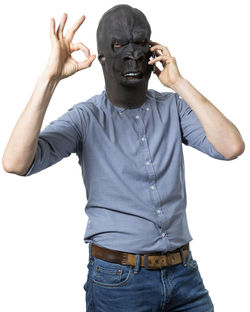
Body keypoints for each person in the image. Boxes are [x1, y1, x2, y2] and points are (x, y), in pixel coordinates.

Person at [2, 4, 245, 312]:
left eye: (141, 43)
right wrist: (49, 78)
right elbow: (15, 163)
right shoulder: (86, 117)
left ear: (153, 49)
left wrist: (178, 83)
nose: (132, 54)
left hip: (184, 274)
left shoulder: (174, 108)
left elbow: (231, 147)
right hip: (120, 281)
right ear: (102, 57)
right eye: (119, 46)